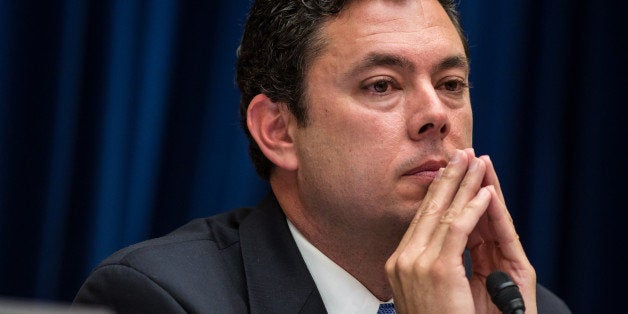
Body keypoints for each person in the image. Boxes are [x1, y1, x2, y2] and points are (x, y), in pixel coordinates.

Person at [74, 0, 571, 313]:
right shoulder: (161, 297)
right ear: (278, 131)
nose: (436, 115)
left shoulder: (521, 306)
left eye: (451, 84)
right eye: (382, 85)